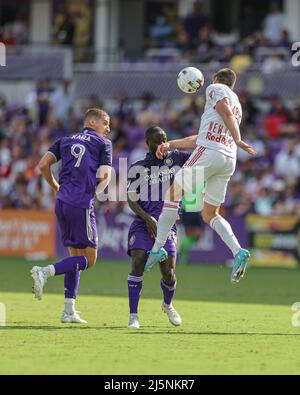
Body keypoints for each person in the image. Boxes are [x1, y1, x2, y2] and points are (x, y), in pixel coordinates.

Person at [145, 68, 256, 283]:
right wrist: (169, 145)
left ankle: (158, 248)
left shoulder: (215, 89)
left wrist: (239, 138)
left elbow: (224, 111)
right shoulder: (238, 104)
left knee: (172, 194)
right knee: (210, 214)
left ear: (215, 80)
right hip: (227, 160)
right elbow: (200, 137)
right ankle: (238, 251)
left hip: (210, 153)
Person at [31, 108, 112, 323]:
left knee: (75, 256)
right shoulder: (103, 143)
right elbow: (105, 176)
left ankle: (68, 309)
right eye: (106, 123)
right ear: (93, 122)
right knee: (89, 259)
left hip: (62, 202)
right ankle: (45, 271)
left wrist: (55, 185)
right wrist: (92, 192)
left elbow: (42, 165)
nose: (109, 128)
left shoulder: (64, 140)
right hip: (81, 204)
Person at [127, 126, 191, 329]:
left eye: (164, 139)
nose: (161, 143)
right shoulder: (139, 166)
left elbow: (201, 154)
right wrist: (147, 218)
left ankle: (167, 304)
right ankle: (133, 316)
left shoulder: (177, 158)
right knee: (138, 261)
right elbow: (131, 199)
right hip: (143, 222)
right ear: (148, 143)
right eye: (157, 140)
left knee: (168, 271)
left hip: (168, 223)